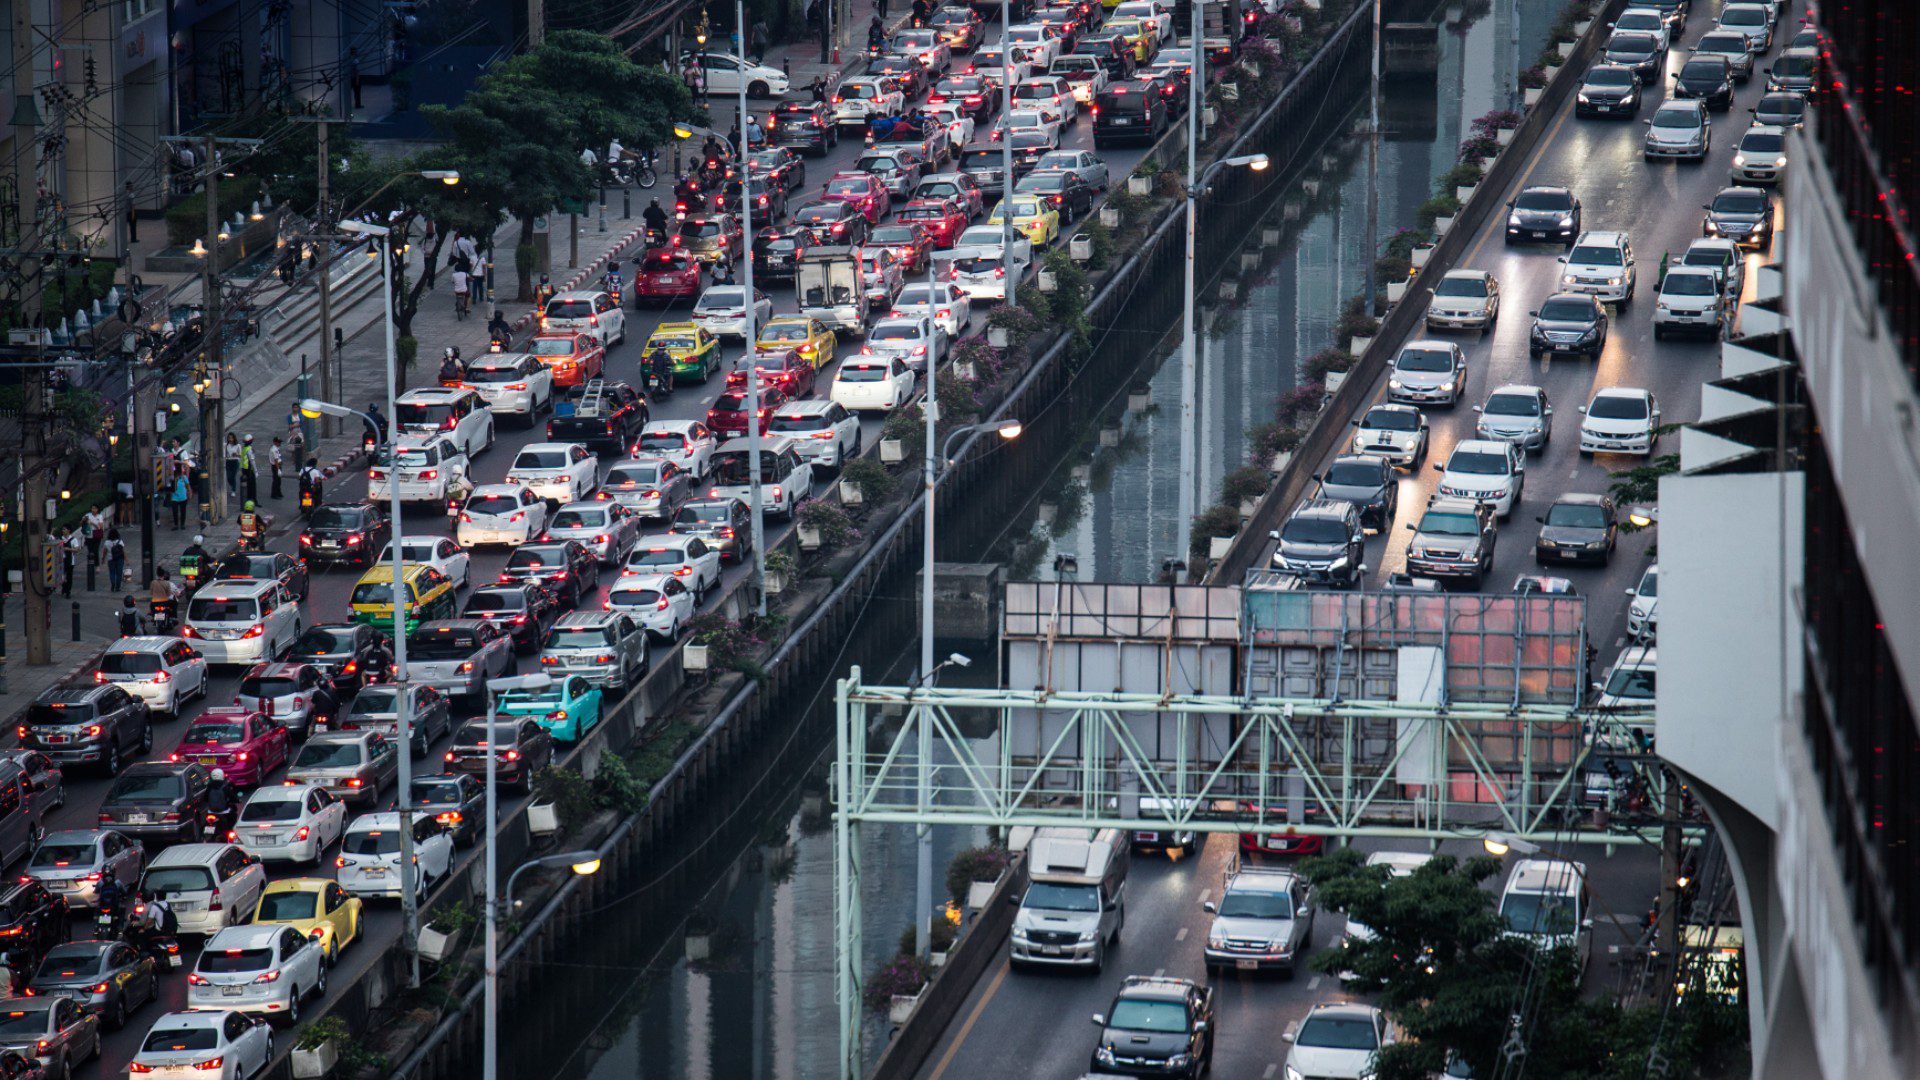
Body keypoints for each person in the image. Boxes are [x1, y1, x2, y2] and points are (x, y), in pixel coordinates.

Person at [106, 528, 127, 592]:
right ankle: (117, 587)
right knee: (119, 573)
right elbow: (123, 551)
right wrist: (126, 560)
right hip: (119, 559)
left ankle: (113, 583)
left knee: (112, 572)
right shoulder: (120, 542)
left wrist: (103, 559)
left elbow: (104, 551)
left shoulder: (107, 542)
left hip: (110, 559)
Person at [240, 434, 258, 503]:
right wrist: (256, 471)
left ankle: (248, 499)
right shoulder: (249, 449)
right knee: (252, 485)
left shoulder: (244, 449)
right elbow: (252, 460)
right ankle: (253, 500)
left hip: (244, 469)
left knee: (247, 485)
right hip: (249, 470)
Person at [222, 432, 241, 498]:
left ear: (234, 438)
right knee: (229, 477)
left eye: (231, 438)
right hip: (228, 461)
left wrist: (236, 454)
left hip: (235, 461)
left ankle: (233, 490)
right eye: (229, 438)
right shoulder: (226, 445)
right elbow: (224, 454)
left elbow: (241, 455)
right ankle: (233, 485)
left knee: (233, 476)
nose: (230, 439)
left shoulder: (238, 445)